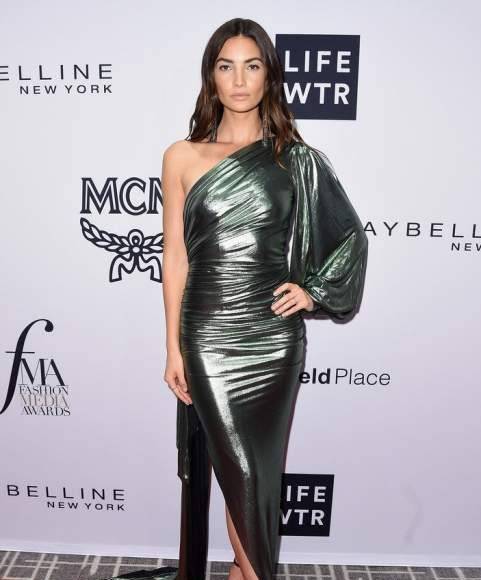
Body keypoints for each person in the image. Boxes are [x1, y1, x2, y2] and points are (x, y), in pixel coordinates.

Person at [161, 18, 368, 580]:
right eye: (226, 66)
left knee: (256, 475)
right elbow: (175, 257)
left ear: (269, 76)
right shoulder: (182, 156)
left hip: (273, 341)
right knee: (239, 473)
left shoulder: (295, 159)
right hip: (207, 335)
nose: (239, 80)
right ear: (211, 76)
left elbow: (349, 237)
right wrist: (173, 348)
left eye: (251, 66)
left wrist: (313, 291)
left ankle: (245, 572)